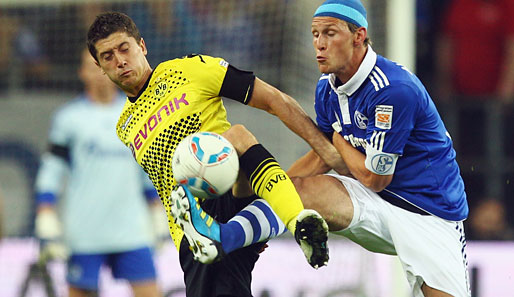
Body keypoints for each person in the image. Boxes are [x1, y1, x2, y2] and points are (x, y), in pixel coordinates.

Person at [174, 1, 471, 296]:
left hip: (429, 211)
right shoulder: (326, 89)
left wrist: (338, 142)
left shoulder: (393, 90)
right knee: (300, 190)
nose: (320, 43)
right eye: (315, 34)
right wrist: (274, 203)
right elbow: (321, 158)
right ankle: (221, 237)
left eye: (330, 33)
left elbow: (375, 177)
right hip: (373, 201)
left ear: (358, 36)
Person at [86, 11, 345, 297]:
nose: (120, 61)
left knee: (237, 135)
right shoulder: (124, 126)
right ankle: (250, 226)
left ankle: (299, 222)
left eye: (125, 48)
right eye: (108, 56)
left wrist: (326, 151)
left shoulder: (190, 70)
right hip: (191, 229)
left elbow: (274, 100)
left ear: (142, 46)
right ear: (100, 66)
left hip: (230, 188)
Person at [34, 49, 166, 297]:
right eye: (91, 65)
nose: (99, 71)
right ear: (82, 73)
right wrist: (45, 212)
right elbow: (51, 170)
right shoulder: (69, 119)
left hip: (131, 230)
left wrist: (157, 211)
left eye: (103, 64)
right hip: (85, 231)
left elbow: (146, 171)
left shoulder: (138, 114)